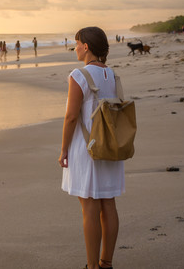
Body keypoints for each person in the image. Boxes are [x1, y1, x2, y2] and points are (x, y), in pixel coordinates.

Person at [59, 26, 123, 269]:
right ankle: (105, 263)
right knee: (109, 204)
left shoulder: (79, 75)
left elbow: (71, 117)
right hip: (109, 146)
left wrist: (64, 149)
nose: (75, 48)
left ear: (86, 47)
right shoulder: (112, 74)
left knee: (89, 208)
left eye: (77, 43)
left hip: (86, 148)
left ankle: (91, 266)